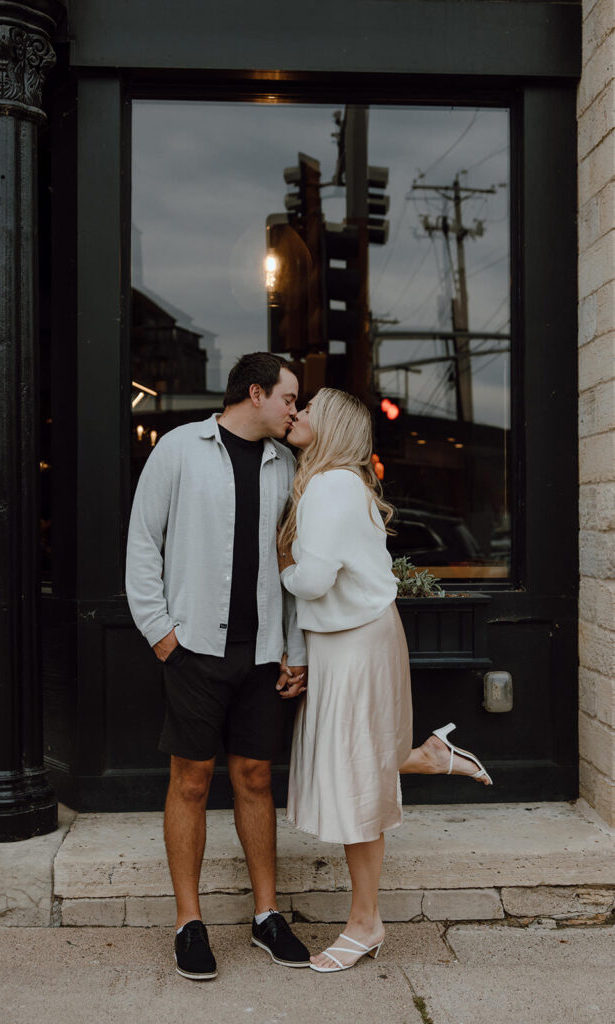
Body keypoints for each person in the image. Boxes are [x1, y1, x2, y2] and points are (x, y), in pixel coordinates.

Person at [277, 387, 492, 974]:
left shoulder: (330, 486)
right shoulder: (343, 483)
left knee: (354, 781)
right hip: (357, 639)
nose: (295, 413)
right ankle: (427, 756)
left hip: (353, 644)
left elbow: (315, 581)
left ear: (334, 426)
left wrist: (281, 568)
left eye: (309, 408)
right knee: (360, 767)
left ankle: (365, 922)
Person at [126, 352, 310, 981]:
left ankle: (267, 917)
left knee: (256, 778)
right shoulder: (179, 448)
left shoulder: (286, 465)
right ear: (255, 393)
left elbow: (291, 568)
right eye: (288, 397)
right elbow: (142, 542)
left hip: (263, 655)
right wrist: (162, 636)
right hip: (195, 649)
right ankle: (189, 922)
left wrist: (296, 649)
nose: (294, 409)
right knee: (192, 782)